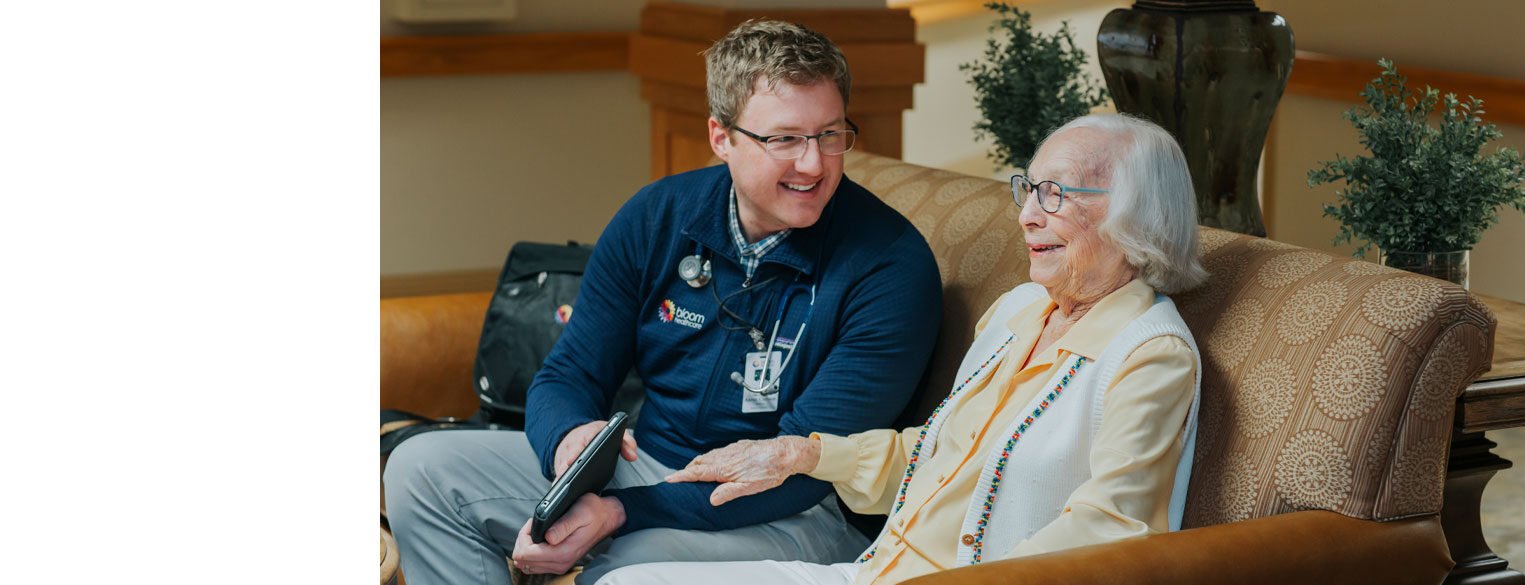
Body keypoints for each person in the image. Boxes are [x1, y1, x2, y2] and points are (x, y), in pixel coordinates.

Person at [383, 20, 943, 585]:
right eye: (784, 139)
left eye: (829, 134)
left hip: (794, 507)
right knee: (421, 468)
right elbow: (569, 373)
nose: (814, 164)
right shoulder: (657, 217)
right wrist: (569, 447)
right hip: (646, 468)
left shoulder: (889, 266)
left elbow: (806, 469)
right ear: (721, 138)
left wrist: (622, 513)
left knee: (629, 564)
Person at [596, 113, 1209, 585]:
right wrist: (802, 454)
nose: (1025, 215)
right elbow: (939, 454)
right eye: (1027, 189)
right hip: (872, 570)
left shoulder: (1148, 354)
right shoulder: (1021, 311)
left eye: (1055, 194)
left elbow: (1112, 533)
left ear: (1135, 215)